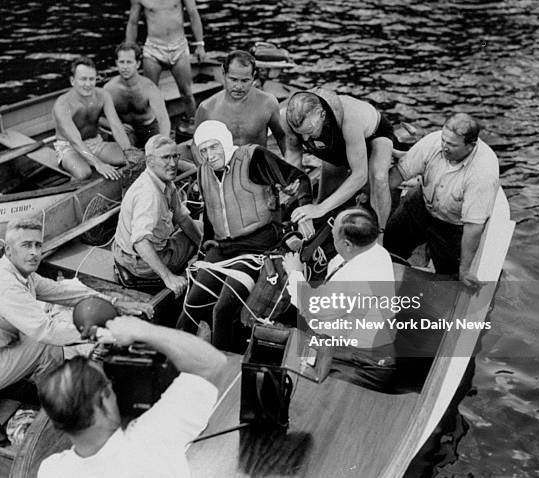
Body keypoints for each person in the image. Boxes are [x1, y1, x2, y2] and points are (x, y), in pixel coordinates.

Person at [0, 218, 153, 398]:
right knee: (46, 342)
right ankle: (54, 402)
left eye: (38, 245)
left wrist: (116, 303)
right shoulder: (5, 285)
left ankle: (45, 386)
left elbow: (64, 293)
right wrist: (108, 334)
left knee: (49, 324)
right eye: (26, 245)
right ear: (8, 250)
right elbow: (47, 332)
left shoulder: (17, 273)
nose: (34, 253)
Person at [177, 120, 312, 352]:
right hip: (222, 248)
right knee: (192, 302)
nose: (210, 155)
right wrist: (203, 252)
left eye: (214, 147)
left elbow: (299, 180)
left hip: (256, 248)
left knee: (222, 310)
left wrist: (306, 213)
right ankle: (172, 356)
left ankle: (223, 368)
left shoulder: (254, 158)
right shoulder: (203, 172)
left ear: (226, 143)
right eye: (204, 150)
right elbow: (210, 215)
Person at [37, 316, 226, 478]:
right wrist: (143, 330)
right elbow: (212, 363)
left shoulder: (51, 470)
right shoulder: (150, 440)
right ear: (103, 400)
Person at [283, 207, 396, 390]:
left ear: (348, 244)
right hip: (364, 343)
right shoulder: (377, 251)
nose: (331, 236)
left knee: (291, 360)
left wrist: (294, 272)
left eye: (334, 234)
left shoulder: (355, 277)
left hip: (364, 362)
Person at [384, 113, 499, 290]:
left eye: (452, 145)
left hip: (452, 224)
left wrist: (465, 270)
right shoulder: (433, 141)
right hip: (421, 203)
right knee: (390, 241)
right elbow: (398, 174)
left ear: (471, 145)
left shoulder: (483, 173)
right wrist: (372, 196)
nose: (444, 146)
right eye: (444, 140)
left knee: (449, 279)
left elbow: (473, 227)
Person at [283, 88, 395, 237]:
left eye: (309, 131)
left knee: (379, 178)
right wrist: (289, 181)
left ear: (322, 115)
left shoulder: (350, 120)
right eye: (300, 133)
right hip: (335, 142)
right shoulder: (287, 119)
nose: (305, 139)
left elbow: (360, 175)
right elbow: (293, 155)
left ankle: (379, 234)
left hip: (374, 135)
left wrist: (320, 208)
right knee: (325, 202)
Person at [112, 134, 201, 297]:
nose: (173, 164)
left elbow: (182, 217)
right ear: (150, 161)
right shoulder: (149, 195)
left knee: (198, 228)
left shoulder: (163, 180)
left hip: (126, 252)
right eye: (166, 158)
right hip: (138, 262)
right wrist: (169, 278)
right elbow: (140, 242)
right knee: (200, 230)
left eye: (175, 156)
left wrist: (202, 244)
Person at [53, 56, 138, 181]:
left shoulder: (103, 95)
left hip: (94, 143)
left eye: (91, 79)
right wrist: (98, 163)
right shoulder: (62, 104)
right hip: (69, 147)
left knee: (135, 157)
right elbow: (75, 140)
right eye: (83, 79)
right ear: (72, 80)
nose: (88, 84)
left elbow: (116, 127)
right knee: (84, 173)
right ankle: (76, 176)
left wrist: (128, 151)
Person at [126, 0, 206, 130]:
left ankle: (194, 127)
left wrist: (200, 45)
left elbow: (193, 14)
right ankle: (153, 131)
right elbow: (132, 22)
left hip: (179, 47)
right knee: (149, 95)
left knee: (186, 93)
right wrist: (128, 52)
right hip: (153, 48)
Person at [195, 50, 286, 154]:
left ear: (253, 76)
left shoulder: (268, 103)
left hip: (257, 166)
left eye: (245, 81)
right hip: (223, 168)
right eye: (233, 80)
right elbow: (196, 146)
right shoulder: (207, 108)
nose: (238, 87)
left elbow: (282, 137)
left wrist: (292, 167)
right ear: (224, 74)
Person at [103, 42, 171, 148]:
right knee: (123, 153)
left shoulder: (149, 87)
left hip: (148, 130)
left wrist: (163, 143)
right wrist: (116, 126)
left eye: (129, 62)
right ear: (116, 63)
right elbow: (96, 117)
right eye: (122, 62)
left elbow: (163, 119)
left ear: (138, 64)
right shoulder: (109, 89)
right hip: (124, 132)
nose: (125, 67)